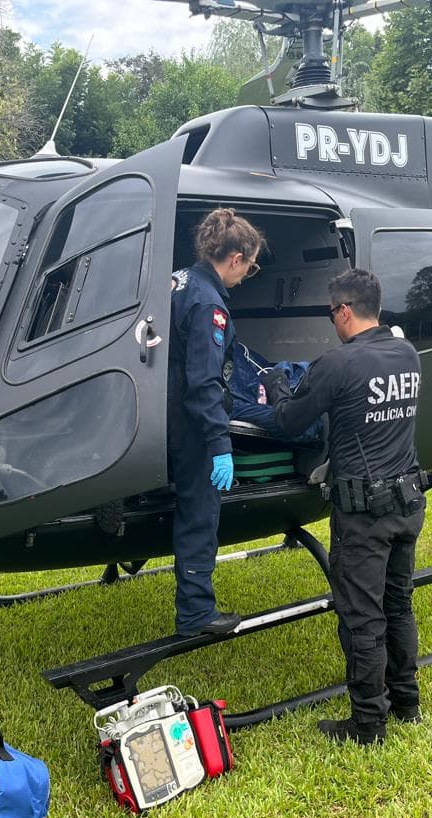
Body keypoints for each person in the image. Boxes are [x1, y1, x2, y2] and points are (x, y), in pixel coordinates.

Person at [260, 269, 426, 745]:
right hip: (407, 503)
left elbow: (290, 420)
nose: (332, 320)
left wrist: (275, 384)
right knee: (398, 606)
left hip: (363, 516)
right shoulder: (407, 355)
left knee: (362, 618)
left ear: (345, 311)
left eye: (332, 312)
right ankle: (407, 704)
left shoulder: (337, 364)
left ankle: (368, 723)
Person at [167, 208, 265, 636]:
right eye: (250, 266)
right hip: (190, 423)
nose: (245, 277)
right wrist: (219, 443)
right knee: (199, 512)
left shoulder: (180, 280)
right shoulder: (209, 303)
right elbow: (204, 381)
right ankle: (196, 614)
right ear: (236, 258)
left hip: (165, 412)